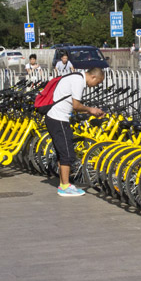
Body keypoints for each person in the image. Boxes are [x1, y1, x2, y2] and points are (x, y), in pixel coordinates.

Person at [44, 68, 105, 196]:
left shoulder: (75, 76)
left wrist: (89, 111)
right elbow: (76, 106)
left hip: (55, 118)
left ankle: (64, 184)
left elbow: (74, 106)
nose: (96, 86)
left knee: (62, 152)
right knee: (67, 154)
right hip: (59, 119)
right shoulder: (78, 81)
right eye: (98, 82)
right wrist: (91, 110)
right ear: (93, 77)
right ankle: (65, 187)